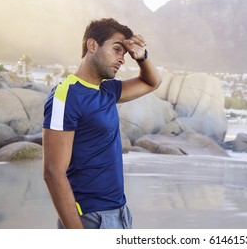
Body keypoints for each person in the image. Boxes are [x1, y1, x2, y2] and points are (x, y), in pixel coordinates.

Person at [42, 18, 162, 229]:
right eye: (117, 49)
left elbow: (151, 82)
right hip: (90, 218)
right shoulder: (66, 94)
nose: (122, 59)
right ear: (92, 45)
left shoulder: (108, 91)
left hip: (120, 213)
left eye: (124, 54)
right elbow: (53, 172)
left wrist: (142, 57)